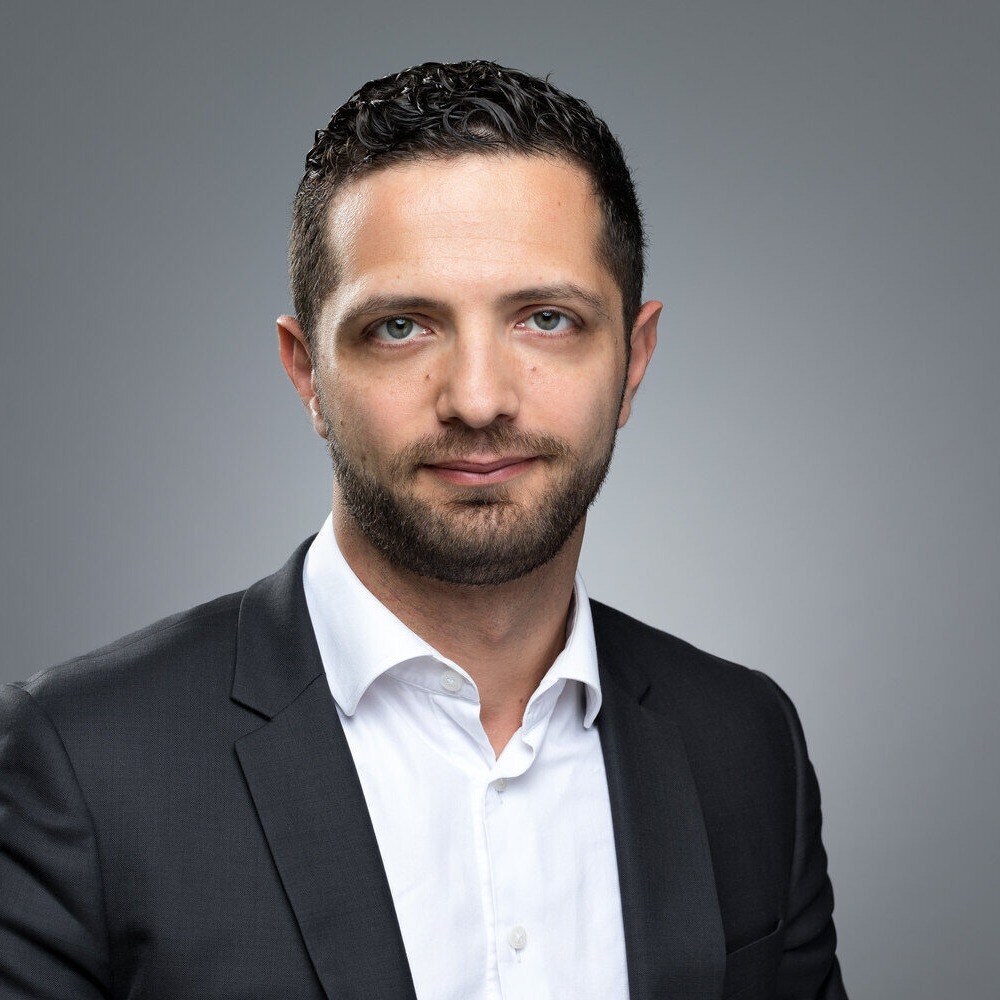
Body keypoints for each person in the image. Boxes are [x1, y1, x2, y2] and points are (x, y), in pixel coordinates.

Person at [0, 60, 847, 999]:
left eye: (547, 319)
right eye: (402, 327)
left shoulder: (746, 743)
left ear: (634, 359)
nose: (478, 400)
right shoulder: (80, 763)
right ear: (307, 371)